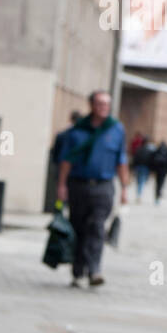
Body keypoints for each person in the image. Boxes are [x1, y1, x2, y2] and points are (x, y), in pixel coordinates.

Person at [56, 91, 129, 288]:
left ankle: (95, 270)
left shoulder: (116, 129)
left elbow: (121, 160)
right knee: (79, 227)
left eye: (107, 103)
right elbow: (66, 160)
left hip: (104, 186)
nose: (104, 107)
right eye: (100, 103)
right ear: (91, 105)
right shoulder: (77, 131)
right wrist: (61, 185)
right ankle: (78, 271)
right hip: (78, 185)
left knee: (97, 227)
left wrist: (124, 188)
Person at [132, 136, 156, 200]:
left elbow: (135, 159)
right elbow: (151, 160)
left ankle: (138, 193)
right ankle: (139, 194)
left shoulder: (138, 149)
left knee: (139, 180)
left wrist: (133, 167)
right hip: (145, 167)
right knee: (142, 181)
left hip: (139, 167)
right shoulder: (149, 150)